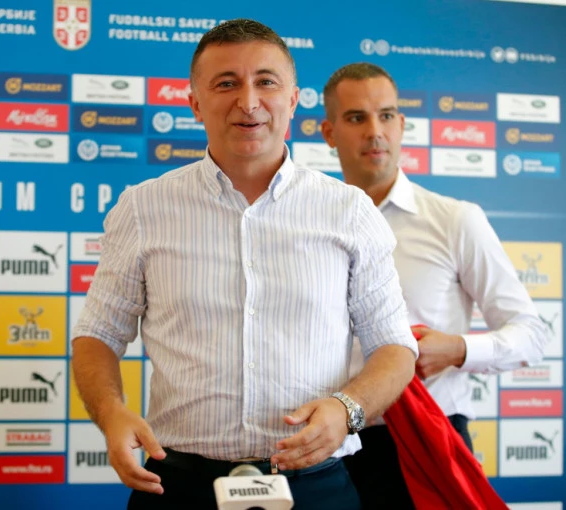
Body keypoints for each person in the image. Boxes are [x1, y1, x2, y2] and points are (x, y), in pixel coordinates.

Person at [71, 20, 419, 510]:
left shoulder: (350, 211)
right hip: (178, 488)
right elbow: (98, 336)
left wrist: (348, 410)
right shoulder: (143, 209)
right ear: (195, 103)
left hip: (315, 487)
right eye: (226, 83)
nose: (249, 101)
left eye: (266, 82)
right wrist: (111, 414)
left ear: (293, 100)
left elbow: (395, 348)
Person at [320, 62, 548, 509]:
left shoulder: (455, 220)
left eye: (386, 115)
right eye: (356, 118)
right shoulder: (309, 226)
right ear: (329, 132)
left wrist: (458, 349)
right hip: (329, 443)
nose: (374, 131)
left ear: (402, 124)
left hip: (429, 439)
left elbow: (532, 334)